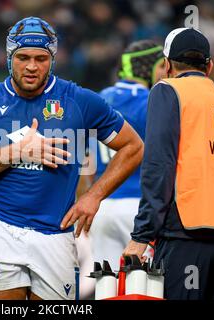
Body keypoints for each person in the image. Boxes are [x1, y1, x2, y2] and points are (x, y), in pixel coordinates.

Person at [0, 16, 143, 300]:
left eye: (40, 58)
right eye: (22, 57)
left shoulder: (80, 100)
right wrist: (16, 152)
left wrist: (94, 196)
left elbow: (133, 146)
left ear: (52, 60)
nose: (30, 66)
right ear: (8, 57)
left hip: (56, 233)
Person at [122, 28, 214, 300]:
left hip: (188, 232)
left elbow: (159, 164)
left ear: (167, 65)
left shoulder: (168, 90)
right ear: (210, 66)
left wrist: (142, 234)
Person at [88, 40, 165, 273]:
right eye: (162, 67)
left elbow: (85, 160)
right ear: (149, 68)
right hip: (138, 208)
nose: (165, 74)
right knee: (145, 283)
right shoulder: (155, 101)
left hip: (101, 206)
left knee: (106, 282)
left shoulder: (98, 99)